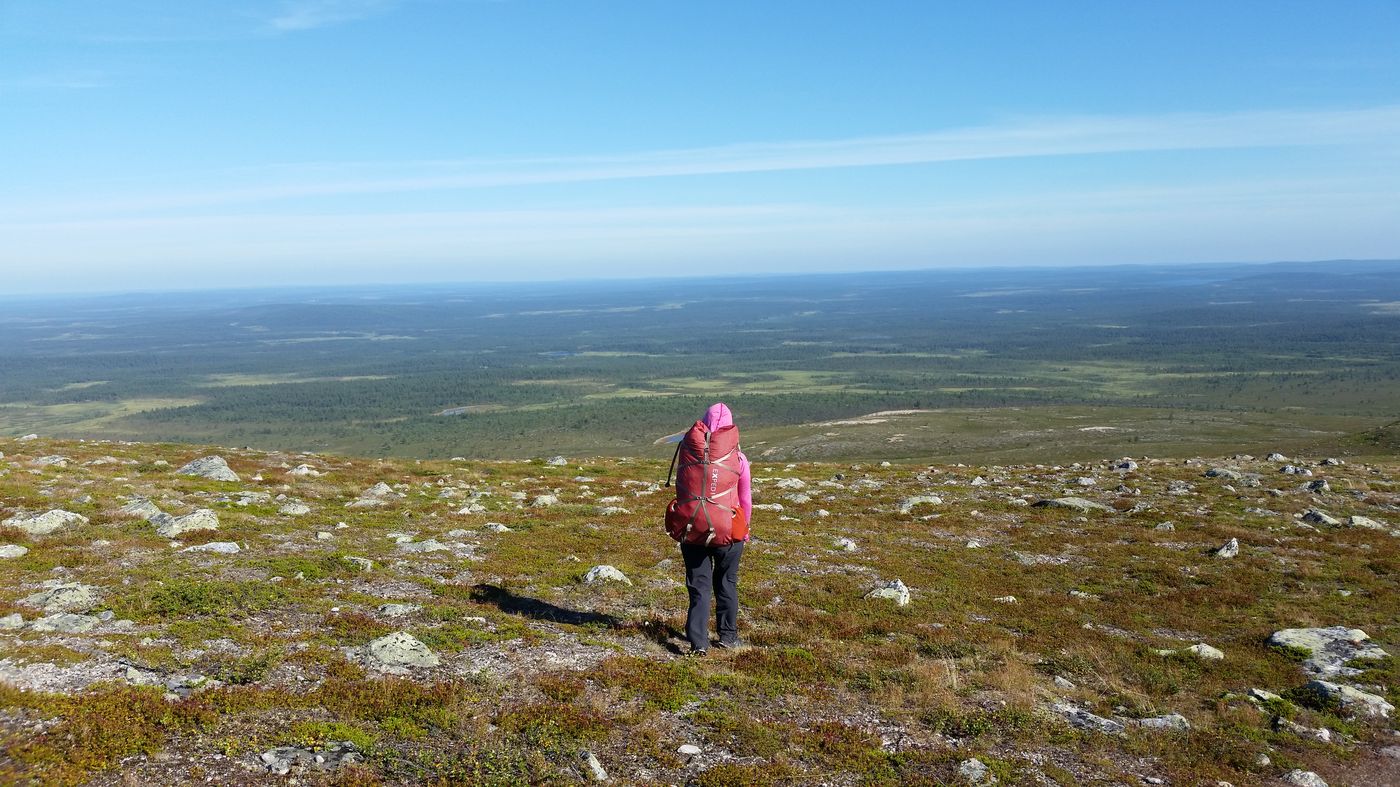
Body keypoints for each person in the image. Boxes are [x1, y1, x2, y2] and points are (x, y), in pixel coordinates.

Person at [678, 402, 752, 655]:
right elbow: (746, 499)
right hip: (729, 535)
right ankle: (728, 637)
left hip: (693, 531)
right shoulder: (739, 459)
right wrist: (746, 530)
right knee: (726, 583)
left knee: (699, 587)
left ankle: (699, 643)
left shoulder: (687, 454)